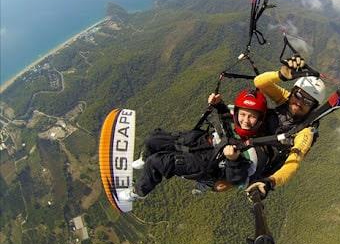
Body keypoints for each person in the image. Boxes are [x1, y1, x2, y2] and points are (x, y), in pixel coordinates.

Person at [118, 89, 271, 201]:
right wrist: (219, 105)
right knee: (154, 139)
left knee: (157, 162)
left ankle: (138, 192)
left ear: (259, 120)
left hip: (208, 164)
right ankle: (145, 159)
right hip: (202, 141)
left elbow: (236, 180)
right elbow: (227, 118)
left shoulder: (253, 148)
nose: (245, 120)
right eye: (243, 114)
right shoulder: (235, 120)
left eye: (252, 117)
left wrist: (234, 160)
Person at [245, 55, 326, 199]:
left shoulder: (306, 131)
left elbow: (293, 162)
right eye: (299, 95)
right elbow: (260, 83)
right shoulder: (286, 98)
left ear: (313, 107)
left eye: (307, 102)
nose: (299, 102)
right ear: (293, 92)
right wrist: (280, 75)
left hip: (263, 160)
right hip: (251, 138)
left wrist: (270, 182)